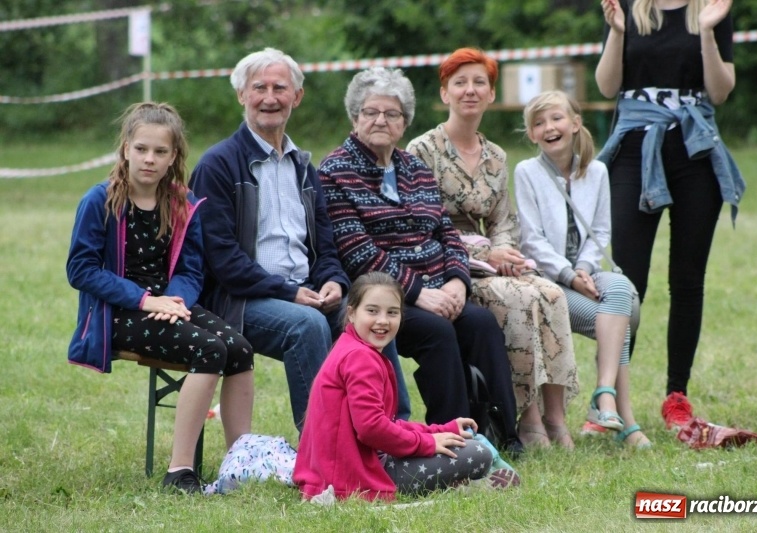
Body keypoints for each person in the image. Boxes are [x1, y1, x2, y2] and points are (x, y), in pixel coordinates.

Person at [189, 48, 400, 431]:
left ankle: (394, 430)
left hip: (303, 291)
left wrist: (333, 280)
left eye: (280, 88)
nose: (270, 98)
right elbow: (221, 259)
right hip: (237, 300)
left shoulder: (303, 166)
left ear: (296, 97)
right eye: (259, 88)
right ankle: (323, 444)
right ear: (242, 95)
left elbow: (324, 245)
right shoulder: (217, 164)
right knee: (308, 325)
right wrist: (288, 292)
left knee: (373, 309)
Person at [319, 66, 524, 455]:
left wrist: (457, 282)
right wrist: (417, 294)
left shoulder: (414, 168)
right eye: (370, 112)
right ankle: (452, 441)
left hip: (440, 289)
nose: (381, 120)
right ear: (354, 117)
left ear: (404, 122)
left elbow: (446, 232)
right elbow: (357, 251)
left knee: (481, 323)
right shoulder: (335, 172)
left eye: (392, 114)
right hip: (382, 299)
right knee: (437, 332)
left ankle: (503, 432)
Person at [67, 102, 255, 493]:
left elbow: (191, 269)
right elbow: (81, 270)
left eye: (160, 152)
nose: (149, 159)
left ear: (173, 157)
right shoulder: (100, 201)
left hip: (168, 306)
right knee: (210, 350)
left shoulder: (182, 204)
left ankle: (242, 460)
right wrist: (145, 300)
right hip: (117, 315)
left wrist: (175, 301)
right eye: (141, 149)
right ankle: (179, 471)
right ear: (125, 149)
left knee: (239, 347)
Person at [406, 48, 579, 449]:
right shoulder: (422, 150)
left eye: (478, 82)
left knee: (551, 295)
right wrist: (484, 258)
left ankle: (555, 417)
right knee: (514, 301)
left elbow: (503, 220)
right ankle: (526, 417)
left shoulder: (496, 156)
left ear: (490, 94)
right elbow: (422, 224)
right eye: (460, 83)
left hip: (492, 257)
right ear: (445, 93)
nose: (470, 90)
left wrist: (504, 254)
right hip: (446, 262)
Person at [595, 0, 744, 429]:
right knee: (626, 281)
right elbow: (607, 88)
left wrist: (709, 32)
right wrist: (618, 32)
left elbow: (719, 91)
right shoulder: (624, 8)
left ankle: (677, 396)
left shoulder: (712, 8)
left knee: (687, 279)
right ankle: (609, 399)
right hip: (634, 147)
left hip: (695, 150)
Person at [293, 272, 519, 501]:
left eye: (392, 312)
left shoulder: (351, 347)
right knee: (477, 453)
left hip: (343, 468)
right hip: (354, 479)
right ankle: (470, 483)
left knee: (463, 441)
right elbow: (371, 428)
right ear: (351, 313)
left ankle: (462, 482)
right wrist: (427, 443)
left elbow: (382, 424)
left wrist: (441, 430)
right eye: (372, 311)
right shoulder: (361, 358)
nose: (383, 320)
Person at [515, 91, 651, 448]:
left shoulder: (598, 171)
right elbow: (532, 241)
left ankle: (604, 394)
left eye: (557, 118)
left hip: (588, 271)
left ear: (575, 123)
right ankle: (625, 417)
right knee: (622, 316)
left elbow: (601, 231)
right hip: (549, 280)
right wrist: (569, 275)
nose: (549, 128)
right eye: (539, 123)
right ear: (531, 134)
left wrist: (586, 269)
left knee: (620, 288)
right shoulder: (527, 172)